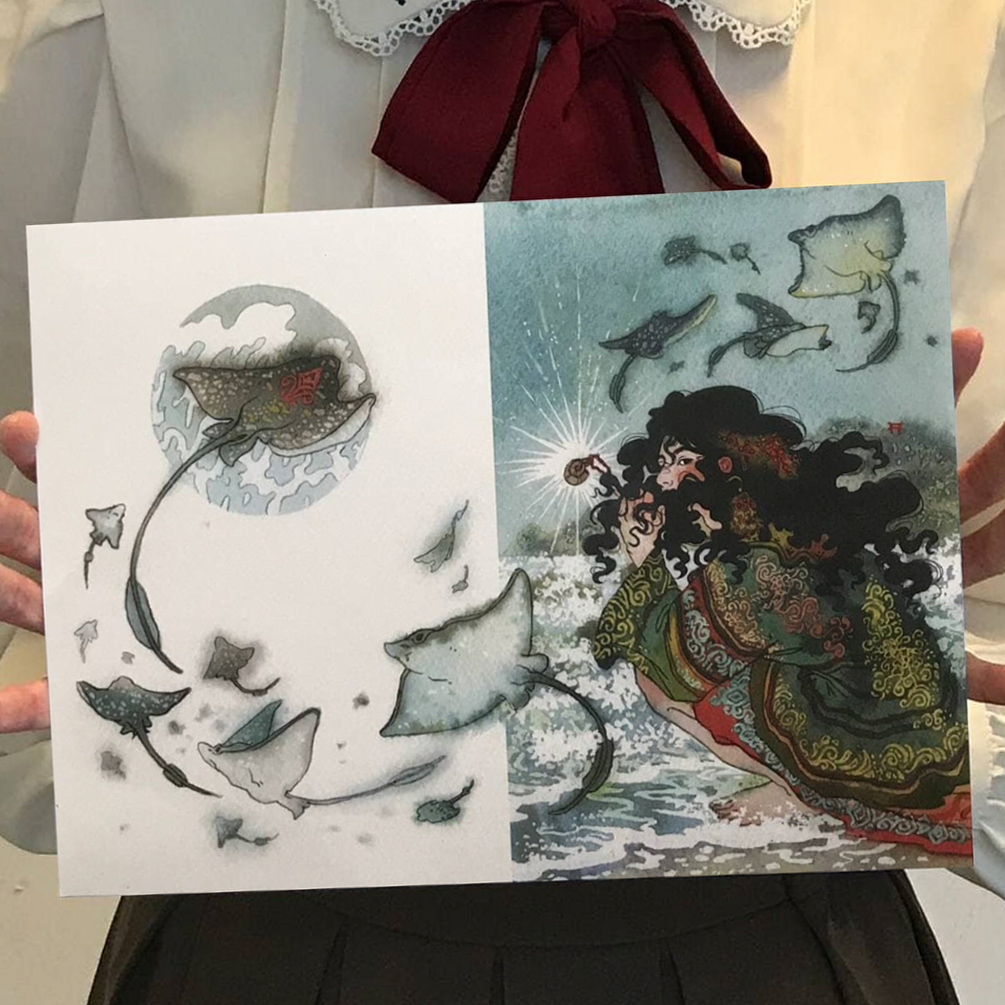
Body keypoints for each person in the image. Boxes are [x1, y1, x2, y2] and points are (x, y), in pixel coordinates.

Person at [1, 2, 1004, 1002]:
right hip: (261, 933)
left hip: (788, 934)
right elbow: (34, 597)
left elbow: (973, 615)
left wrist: (923, 711)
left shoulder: (942, 32)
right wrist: (111, 715)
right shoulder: (105, 30)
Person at [586, 385, 970, 852]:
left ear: (724, 468)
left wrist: (642, 555)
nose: (664, 480)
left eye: (679, 460)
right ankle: (801, 789)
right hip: (926, 729)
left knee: (659, 680)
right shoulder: (802, 534)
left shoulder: (762, 570)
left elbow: (677, 665)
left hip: (872, 751)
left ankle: (806, 794)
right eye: (663, 462)